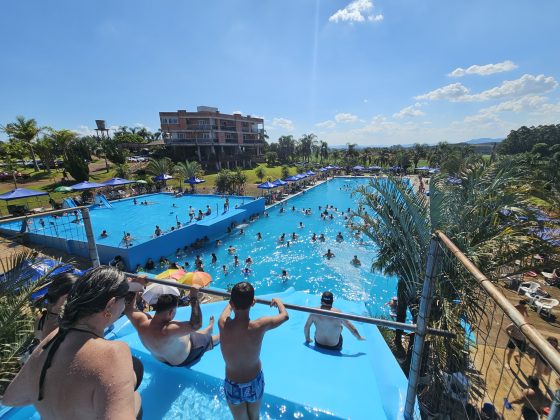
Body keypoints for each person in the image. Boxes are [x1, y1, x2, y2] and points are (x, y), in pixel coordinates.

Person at [3, 266, 142, 419]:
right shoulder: (114, 354)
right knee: (135, 396)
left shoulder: (52, 339)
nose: (125, 305)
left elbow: (10, 398)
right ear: (110, 305)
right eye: (125, 299)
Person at [219, 282, 289, 420]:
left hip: (233, 383)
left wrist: (233, 303)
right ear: (252, 303)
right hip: (254, 381)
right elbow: (285, 316)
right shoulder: (260, 325)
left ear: (232, 303)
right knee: (255, 417)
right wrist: (279, 302)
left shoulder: (222, 323)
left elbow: (228, 309)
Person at [126, 286, 219, 371]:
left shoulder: (141, 321)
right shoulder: (168, 330)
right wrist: (194, 298)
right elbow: (196, 325)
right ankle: (218, 337)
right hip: (184, 358)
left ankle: (208, 330)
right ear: (170, 312)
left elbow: (128, 309)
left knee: (189, 332)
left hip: (162, 358)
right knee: (208, 339)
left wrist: (136, 284)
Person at [34, 272, 79, 341]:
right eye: (75, 296)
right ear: (66, 298)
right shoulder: (63, 325)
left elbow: (38, 339)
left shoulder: (41, 316)